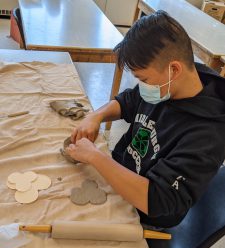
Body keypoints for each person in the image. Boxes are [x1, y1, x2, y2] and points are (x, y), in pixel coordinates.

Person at [66, 10, 225, 228]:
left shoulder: (208, 134)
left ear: (174, 69)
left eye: (144, 79)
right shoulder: (170, 84)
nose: (142, 86)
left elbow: (159, 199)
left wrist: (96, 158)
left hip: (147, 213)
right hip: (123, 173)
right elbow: (129, 101)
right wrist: (96, 116)